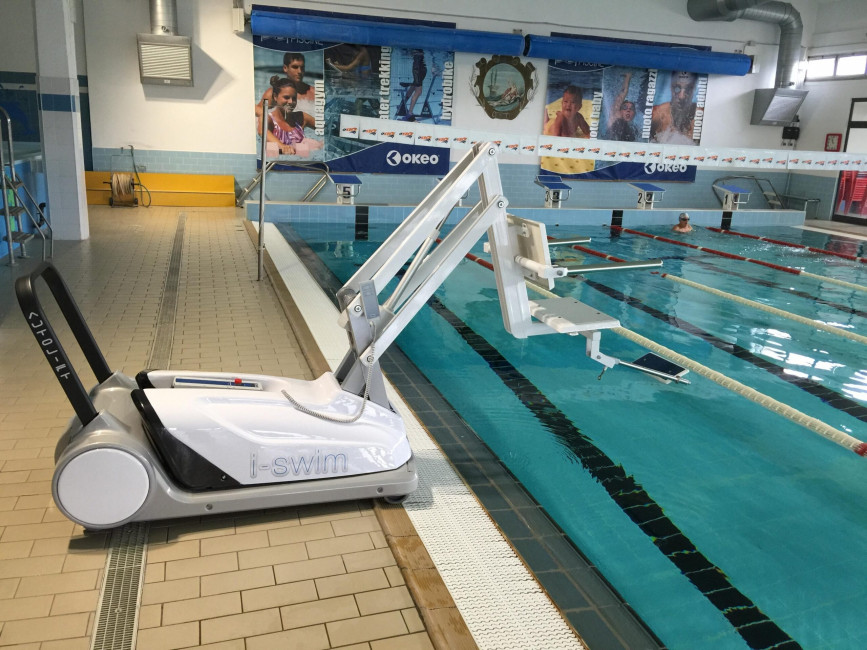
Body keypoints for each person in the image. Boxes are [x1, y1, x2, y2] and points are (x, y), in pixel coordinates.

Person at [259, 76, 317, 156]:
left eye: (294, 98)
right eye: (286, 97)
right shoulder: (268, 119)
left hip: (301, 161)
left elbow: (325, 128)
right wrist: (282, 146)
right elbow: (262, 131)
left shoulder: (301, 117)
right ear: (275, 97)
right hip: (275, 162)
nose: (291, 102)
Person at [256, 52, 315, 120]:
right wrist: (276, 121)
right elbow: (257, 110)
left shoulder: (314, 92)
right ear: (285, 68)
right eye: (295, 67)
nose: (299, 71)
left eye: (302, 67)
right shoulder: (273, 92)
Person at [650, 71, 698, 144]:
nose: (682, 96)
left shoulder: (702, 116)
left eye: (688, 89)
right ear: (671, 88)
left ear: (694, 89)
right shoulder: (657, 114)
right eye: (677, 88)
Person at [607, 73, 639, 141]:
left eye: (631, 108)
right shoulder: (615, 117)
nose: (628, 110)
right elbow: (623, 92)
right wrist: (628, 77)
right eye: (625, 108)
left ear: (634, 114)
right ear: (620, 111)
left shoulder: (634, 130)